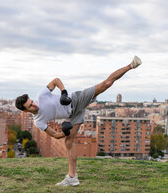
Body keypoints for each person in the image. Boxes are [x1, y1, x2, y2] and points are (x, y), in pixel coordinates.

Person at [15, 56, 142, 186]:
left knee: (106, 84)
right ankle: (72, 177)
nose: (34, 105)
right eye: (30, 106)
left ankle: (131, 65)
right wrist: (65, 131)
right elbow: (55, 135)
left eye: (32, 102)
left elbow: (56, 80)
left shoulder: (41, 96)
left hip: (76, 100)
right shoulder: (38, 121)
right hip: (74, 114)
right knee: (68, 142)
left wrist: (63, 93)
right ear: (25, 111)